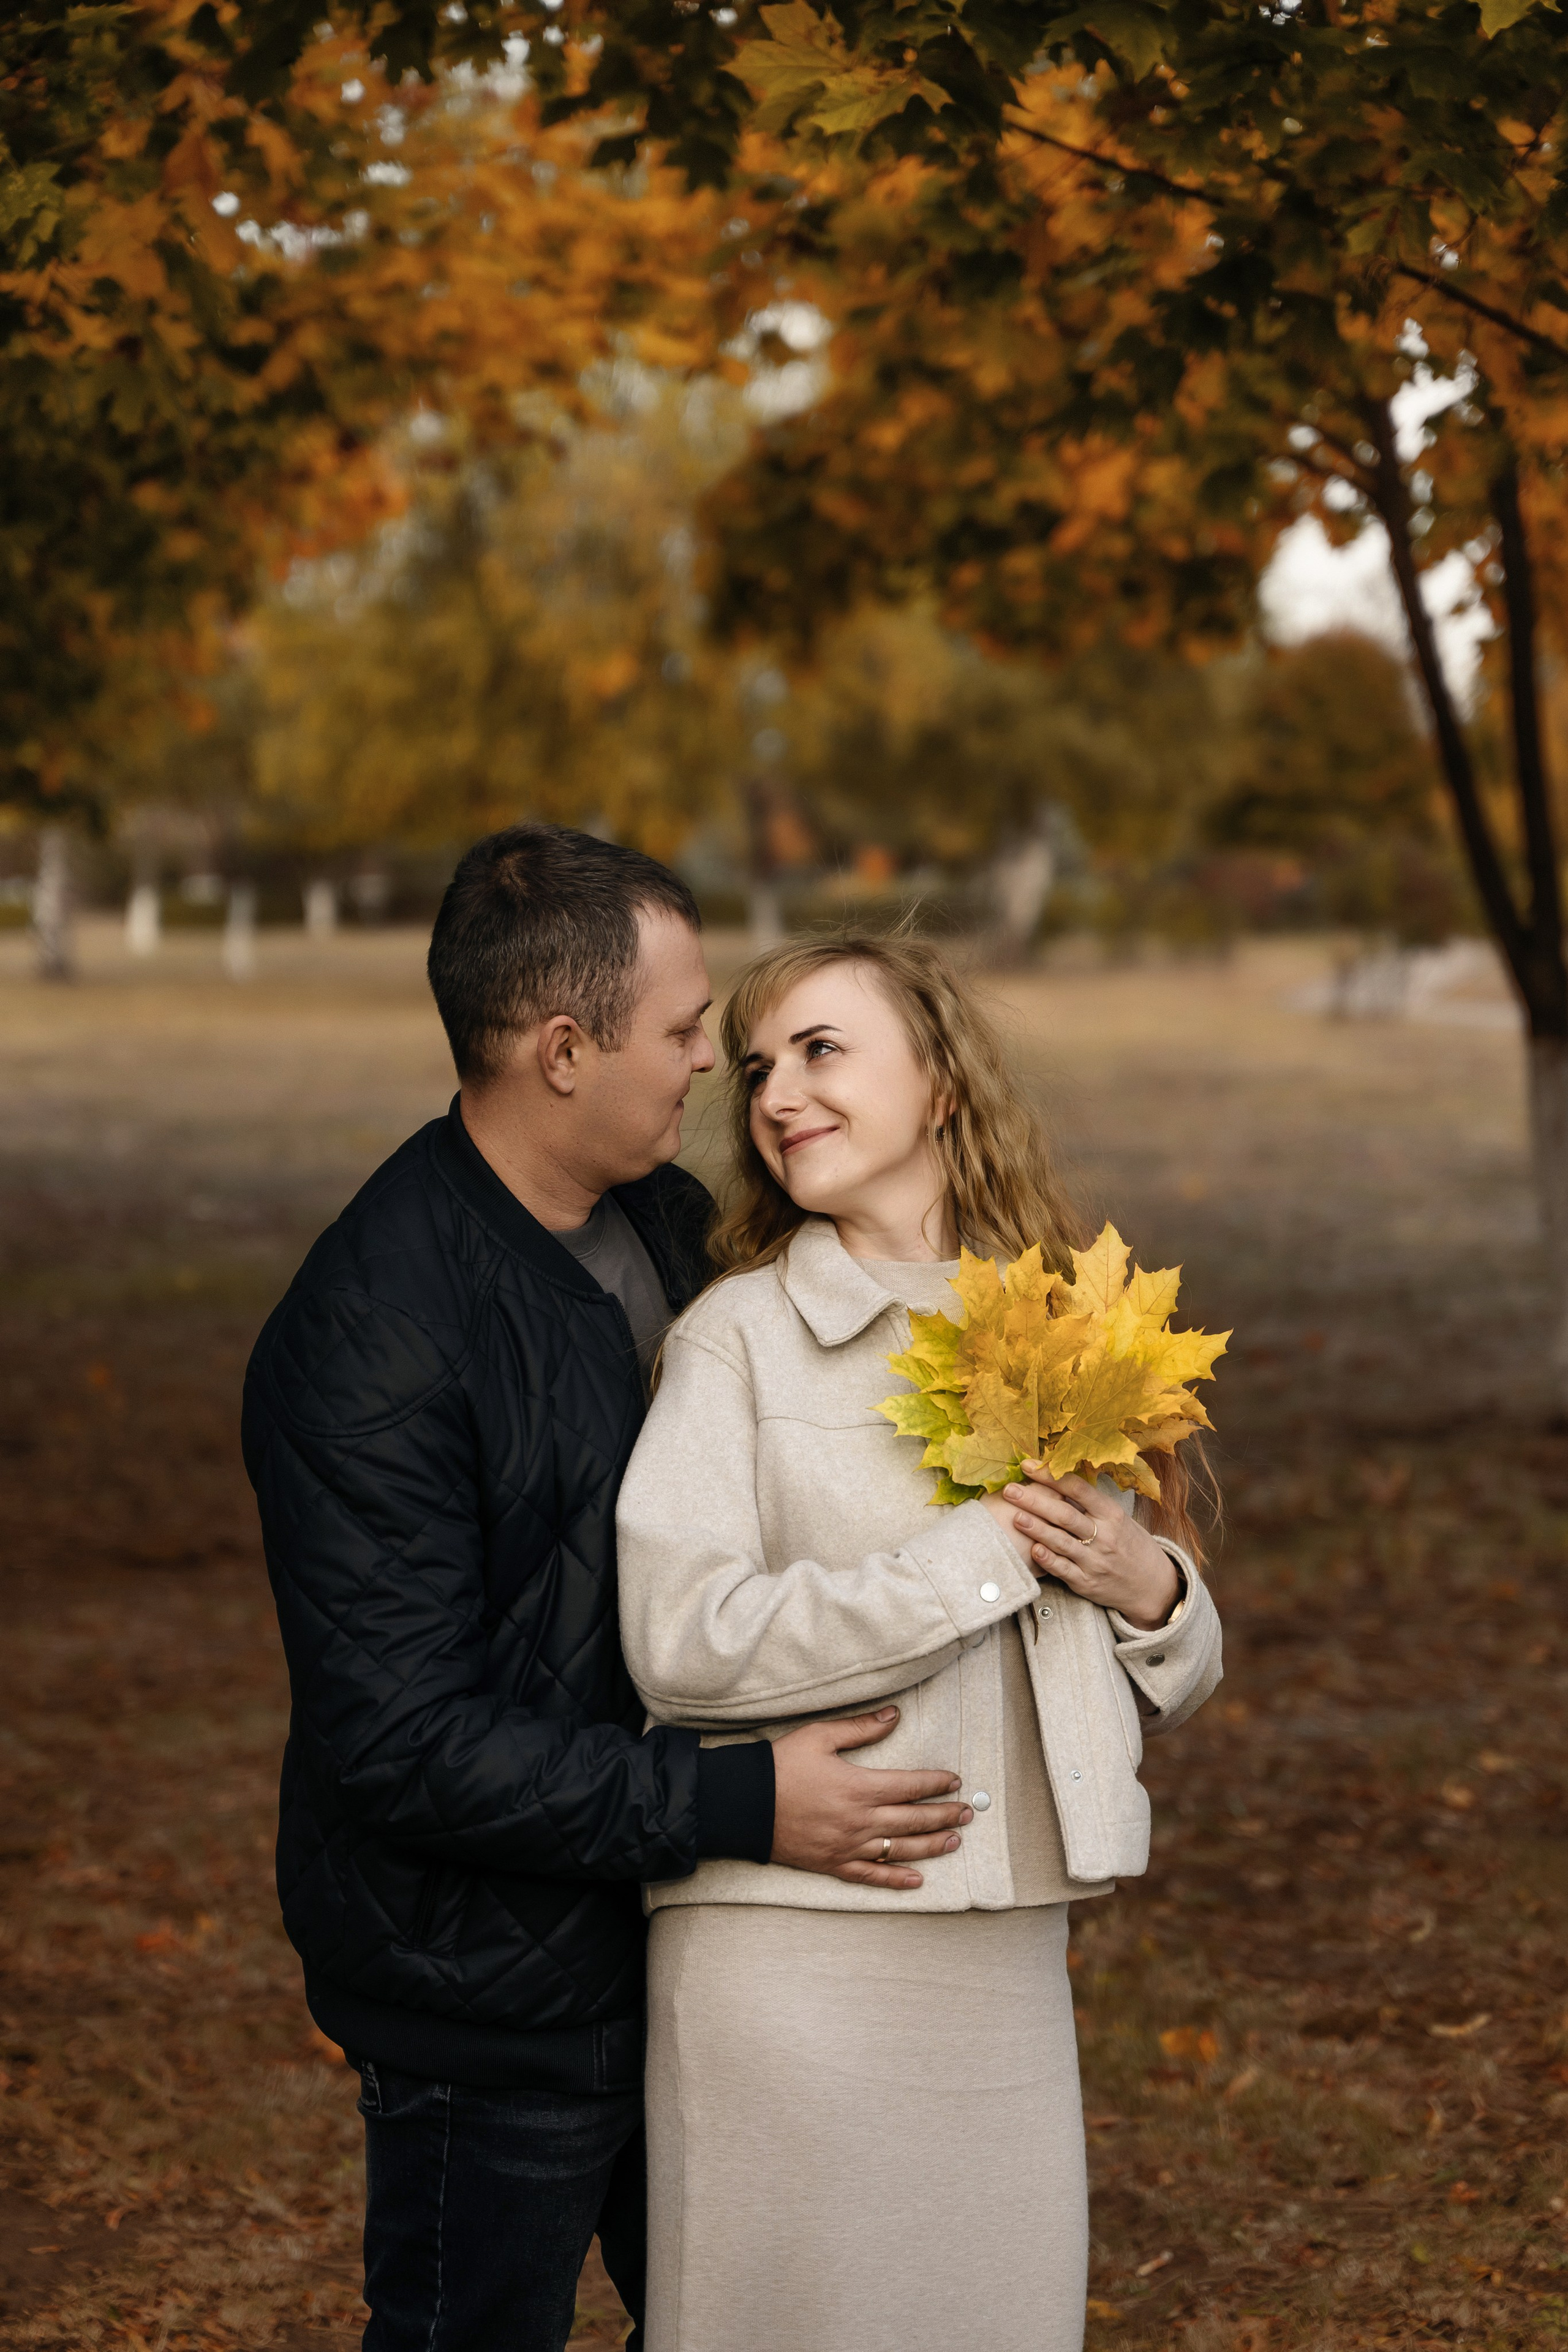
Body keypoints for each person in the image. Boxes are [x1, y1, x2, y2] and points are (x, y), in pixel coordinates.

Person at [241, 831, 973, 2352]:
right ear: (564, 1049)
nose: (718, 1064)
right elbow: (400, 1743)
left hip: (690, 1951)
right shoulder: (369, 1335)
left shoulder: (663, 1230)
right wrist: (739, 1804)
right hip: (489, 1996)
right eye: (689, 1029)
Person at [617, 933, 1224, 2352]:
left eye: (822, 1052)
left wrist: (1152, 1592)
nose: (775, 1094)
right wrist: (964, 1566)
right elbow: (676, 1640)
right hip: (792, 1946)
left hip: (1004, 1950)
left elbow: (1159, 1672)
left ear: (940, 1086)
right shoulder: (741, 1340)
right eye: (759, 1066)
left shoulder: (1065, 1328)